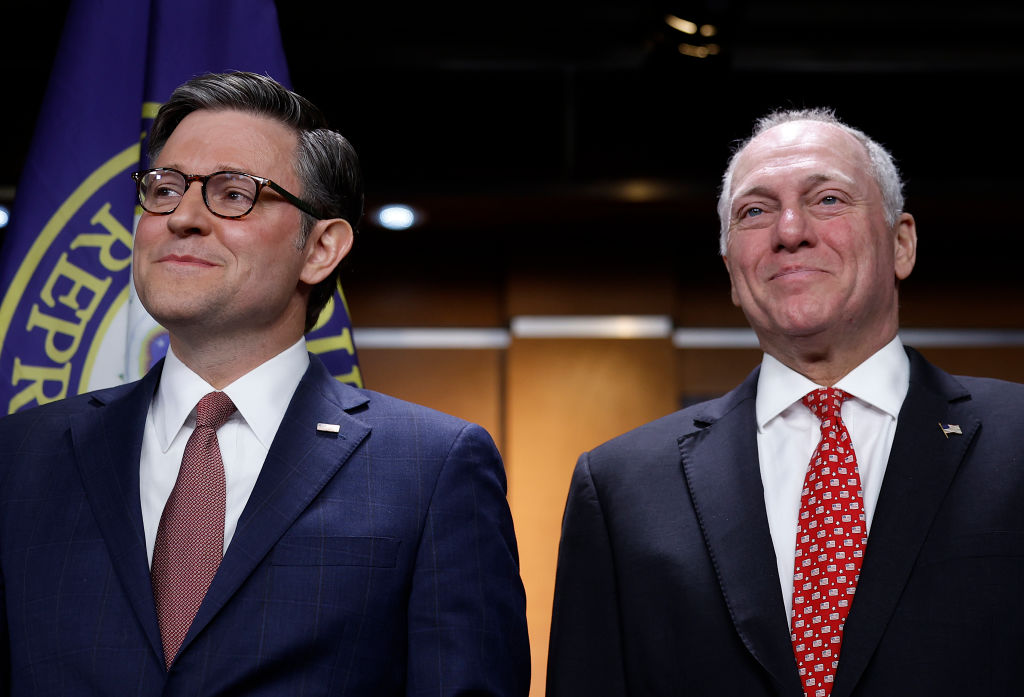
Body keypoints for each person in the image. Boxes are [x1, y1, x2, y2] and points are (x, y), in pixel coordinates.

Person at [0, 71, 529, 696]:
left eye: (233, 193)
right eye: (163, 190)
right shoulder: (21, 454)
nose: (183, 217)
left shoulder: (431, 468)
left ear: (321, 248)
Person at [546, 107, 1024, 697]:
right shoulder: (621, 486)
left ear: (902, 245)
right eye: (755, 210)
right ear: (731, 271)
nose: (790, 230)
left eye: (827, 200)